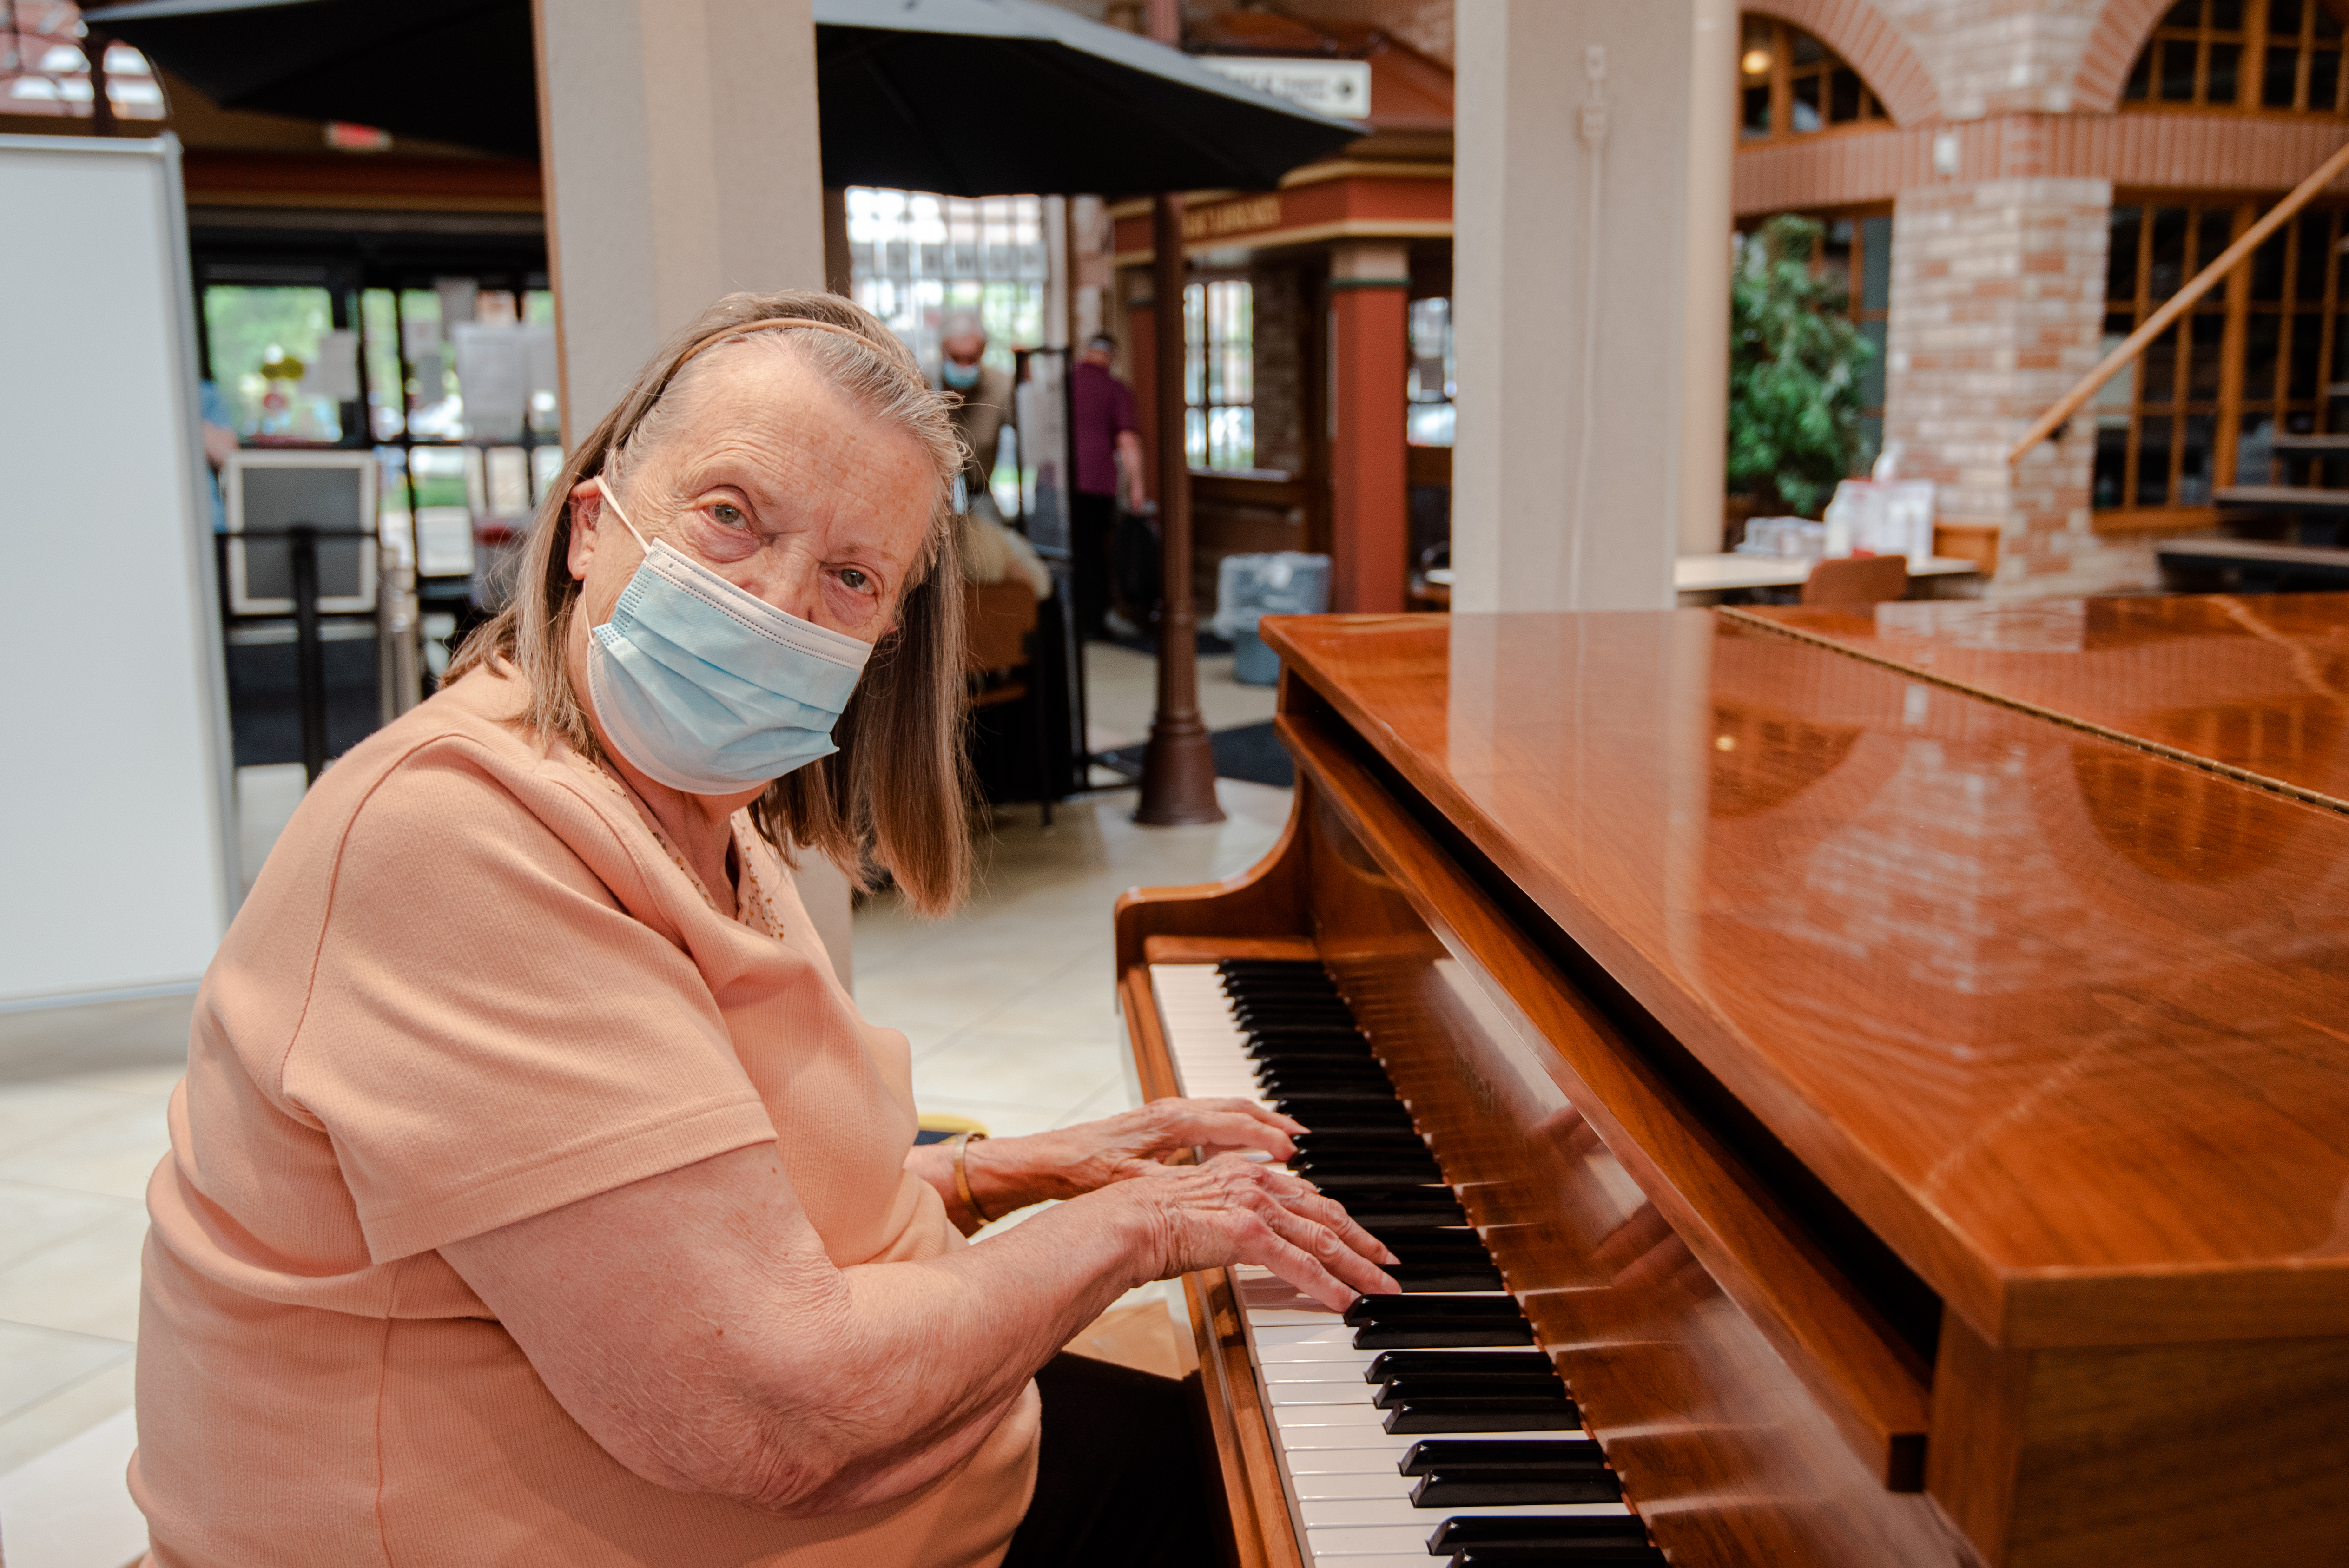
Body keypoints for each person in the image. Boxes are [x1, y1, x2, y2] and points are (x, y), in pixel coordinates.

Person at [130, 290, 1396, 1568]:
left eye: (848, 576)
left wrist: (997, 1169)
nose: (777, 604)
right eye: (731, 516)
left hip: (933, 1478)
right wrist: (1141, 1226)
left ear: (881, 635)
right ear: (589, 528)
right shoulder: (456, 837)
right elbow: (766, 1414)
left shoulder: (698, 815)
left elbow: (697, 1205)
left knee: (1247, 1467)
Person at [1068, 334, 1146, 641]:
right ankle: (1093, 623)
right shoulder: (1116, 389)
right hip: (1096, 483)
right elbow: (1128, 441)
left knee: (1068, 554)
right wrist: (1137, 486)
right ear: (1112, 357)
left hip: (1058, 482)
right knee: (1095, 555)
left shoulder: (1063, 382)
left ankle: (1069, 621)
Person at [937, 309, 1016, 515]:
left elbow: (1033, 433)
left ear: (983, 351)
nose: (963, 366)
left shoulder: (1001, 387)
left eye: (971, 359)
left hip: (980, 496)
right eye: (956, 358)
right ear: (943, 351)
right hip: (935, 498)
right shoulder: (925, 386)